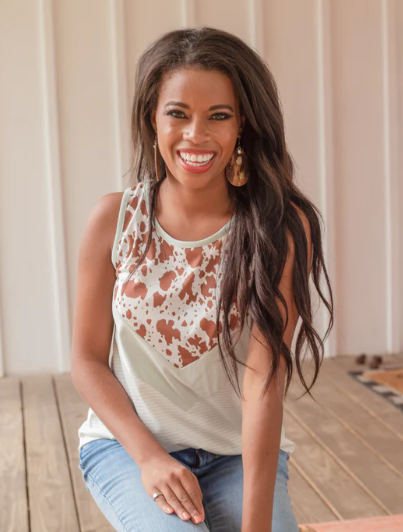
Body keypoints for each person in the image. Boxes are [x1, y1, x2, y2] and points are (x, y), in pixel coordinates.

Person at [71, 26, 334, 532]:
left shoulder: (279, 229)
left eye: (219, 116)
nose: (196, 134)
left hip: (237, 456)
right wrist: (149, 457)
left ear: (244, 127)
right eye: (177, 113)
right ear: (152, 119)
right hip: (126, 448)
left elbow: (263, 380)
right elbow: (86, 360)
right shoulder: (113, 220)